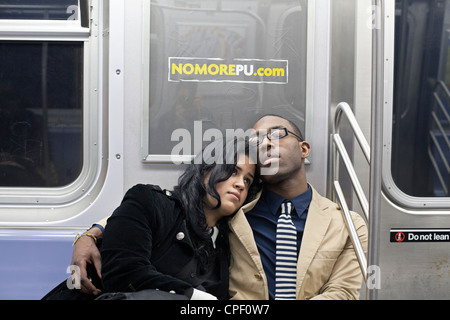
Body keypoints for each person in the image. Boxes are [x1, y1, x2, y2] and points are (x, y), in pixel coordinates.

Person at [70, 114, 367, 300]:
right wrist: (91, 234)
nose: (264, 143)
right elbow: (155, 209)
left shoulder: (348, 225)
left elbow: (343, 292)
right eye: (257, 139)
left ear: (303, 149)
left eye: (276, 134)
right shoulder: (236, 210)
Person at [46, 137, 260, 300]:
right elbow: (123, 274)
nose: (240, 184)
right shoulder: (150, 202)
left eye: (247, 180)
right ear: (205, 170)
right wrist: (194, 296)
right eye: (232, 171)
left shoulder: (224, 246)